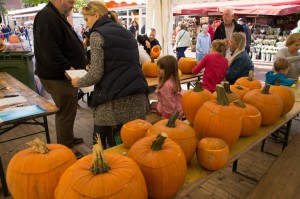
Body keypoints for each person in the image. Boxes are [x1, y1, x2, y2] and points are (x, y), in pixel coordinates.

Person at [72, 1, 149, 149]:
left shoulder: (96, 35)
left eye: (87, 20)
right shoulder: (127, 33)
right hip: (137, 96)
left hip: (114, 100)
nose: (86, 25)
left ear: (96, 15)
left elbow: (95, 73)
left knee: (99, 146)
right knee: (133, 145)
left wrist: (79, 82)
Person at [33, 0, 86, 158]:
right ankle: (65, 148)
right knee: (65, 111)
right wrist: (66, 68)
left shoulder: (55, 15)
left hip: (64, 75)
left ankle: (67, 138)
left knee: (69, 110)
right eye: (70, 1)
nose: (72, 5)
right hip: (58, 77)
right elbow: (49, 49)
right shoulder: (47, 17)